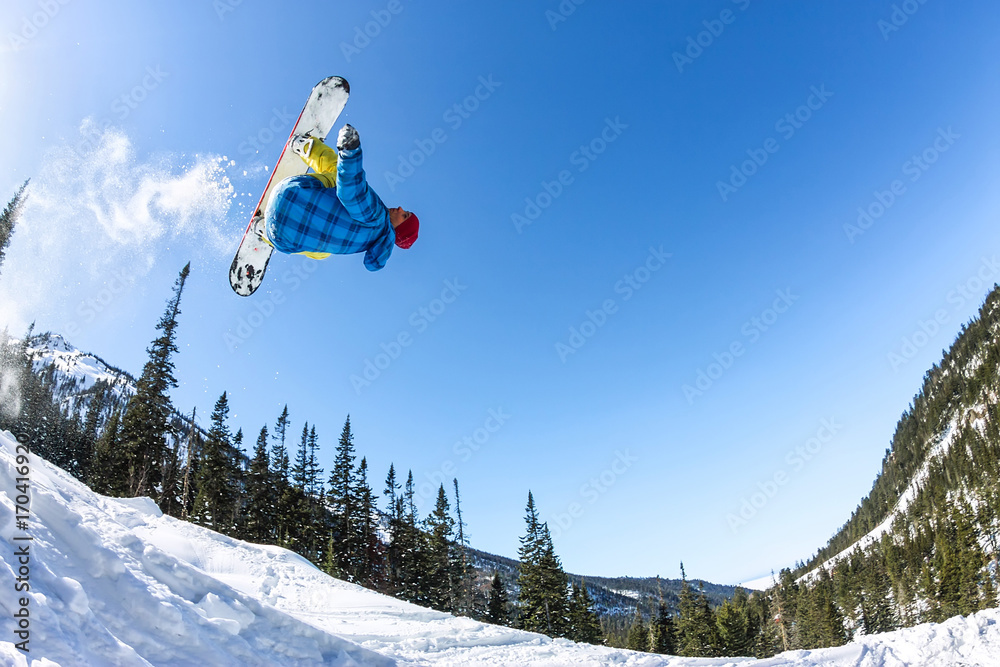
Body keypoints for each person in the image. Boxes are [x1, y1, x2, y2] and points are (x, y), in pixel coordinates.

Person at [261, 124, 419, 271]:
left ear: (399, 229)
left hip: (289, 195)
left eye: (405, 215)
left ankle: (303, 145)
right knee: (323, 253)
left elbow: (352, 193)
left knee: (338, 174)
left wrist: (351, 152)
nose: (400, 208)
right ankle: (263, 231)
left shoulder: (378, 218)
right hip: (279, 237)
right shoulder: (367, 245)